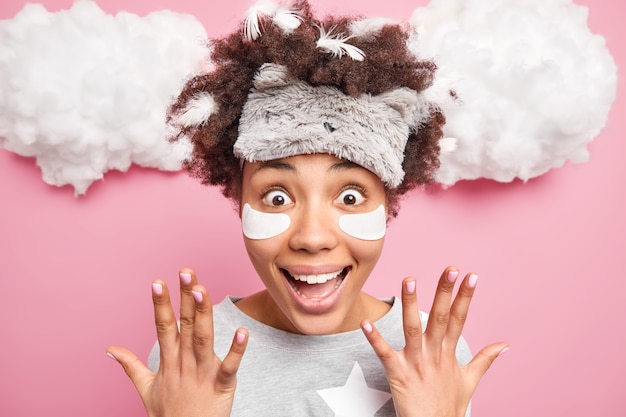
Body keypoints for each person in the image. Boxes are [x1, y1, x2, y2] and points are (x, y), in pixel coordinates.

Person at [107, 1, 508, 416]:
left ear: (387, 205)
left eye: (350, 197)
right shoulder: (190, 356)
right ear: (239, 200)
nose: (312, 238)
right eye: (277, 198)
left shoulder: (433, 351)